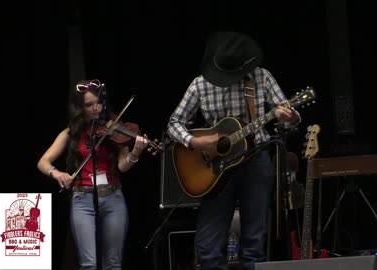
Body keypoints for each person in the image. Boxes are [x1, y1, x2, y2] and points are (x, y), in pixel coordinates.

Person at [167, 31, 300, 270]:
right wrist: (195, 142)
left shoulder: (262, 77)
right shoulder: (199, 84)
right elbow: (174, 123)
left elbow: (289, 119)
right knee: (207, 246)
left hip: (256, 161)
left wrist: (288, 117)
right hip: (217, 168)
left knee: (254, 245)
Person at [37, 79, 150, 270]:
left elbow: (122, 166)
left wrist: (136, 152)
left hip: (113, 196)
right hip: (83, 198)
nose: (95, 108)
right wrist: (56, 174)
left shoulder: (114, 128)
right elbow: (43, 161)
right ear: (80, 107)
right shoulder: (71, 132)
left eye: (98, 103)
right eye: (89, 105)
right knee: (88, 264)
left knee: (113, 263)